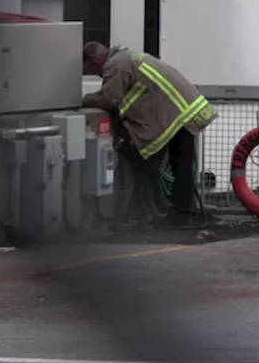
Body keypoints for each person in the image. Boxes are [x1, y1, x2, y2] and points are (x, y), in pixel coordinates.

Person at [81, 42, 218, 229]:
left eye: (88, 68)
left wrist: (83, 99)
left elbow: (109, 98)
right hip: (184, 113)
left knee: (146, 165)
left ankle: (140, 216)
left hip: (174, 117)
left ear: (95, 61)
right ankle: (179, 215)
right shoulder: (129, 58)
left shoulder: (115, 65)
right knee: (181, 166)